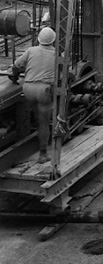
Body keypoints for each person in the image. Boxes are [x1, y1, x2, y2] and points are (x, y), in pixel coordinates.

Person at [8, 27, 57, 163]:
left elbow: (15, 67)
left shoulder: (30, 51)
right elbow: (63, 74)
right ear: (54, 40)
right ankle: (43, 154)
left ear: (38, 39)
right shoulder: (57, 54)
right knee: (43, 122)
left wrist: (15, 78)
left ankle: (22, 139)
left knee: (31, 111)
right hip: (44, 90)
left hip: (28, 88)